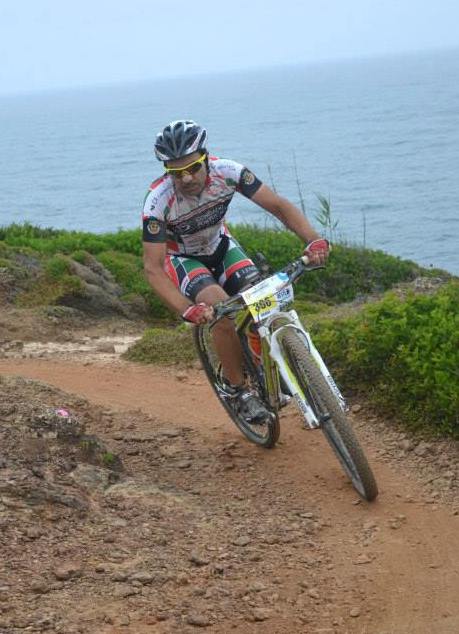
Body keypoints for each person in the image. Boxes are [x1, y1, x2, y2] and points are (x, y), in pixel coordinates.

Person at [142, 120, 329, 423]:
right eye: (176, 173)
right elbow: (152, 268)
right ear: (167, 171)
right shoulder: (158, 201)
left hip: (221, 245)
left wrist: (313, 240)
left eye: (193, 167)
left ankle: (265, 361)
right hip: (184, 259)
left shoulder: (228, 172)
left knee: (261, 299)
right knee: (219, 309)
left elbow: (278, 206)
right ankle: (238, 390)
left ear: (206, 157)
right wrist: (187, 309)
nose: (186, 178)